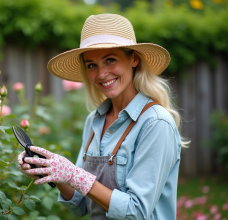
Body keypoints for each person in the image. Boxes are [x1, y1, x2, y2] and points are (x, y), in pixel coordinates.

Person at [17, 14, 187, 219]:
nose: (101, 74)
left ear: (134, 59)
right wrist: (54, 170)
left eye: (110, 60)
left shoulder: (155, 123)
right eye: (91, 65)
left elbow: (138, 212)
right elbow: (81, 205)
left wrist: (75, 175)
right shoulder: (94, 121)